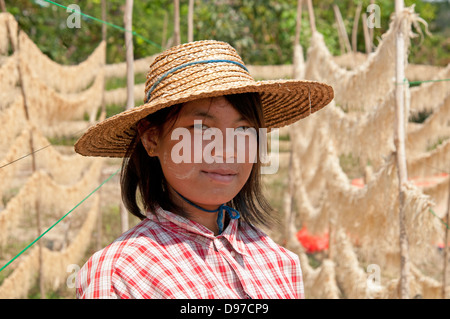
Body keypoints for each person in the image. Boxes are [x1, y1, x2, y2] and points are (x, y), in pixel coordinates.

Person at [74, 40, 333, 299]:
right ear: (152, 139)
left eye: (243, 130)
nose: (227, 150)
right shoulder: (119, 274)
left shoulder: (278, 262)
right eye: (201, 129)